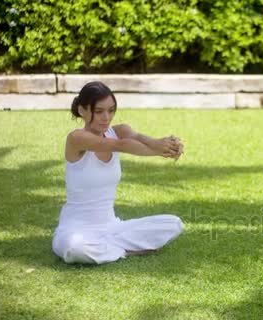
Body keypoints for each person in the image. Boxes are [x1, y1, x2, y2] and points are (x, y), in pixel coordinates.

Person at [52, 81, 184, 264]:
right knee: (75, 248)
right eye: (99, 111)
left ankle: (107, 247)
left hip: (111, 227)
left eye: (111, 110)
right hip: (76, 230)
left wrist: (165, 145)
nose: (106, 117)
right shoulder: (76, 139)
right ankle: (124, 250)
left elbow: (137, 138)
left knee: (173, 223)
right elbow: (120, 145)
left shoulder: (119, 131)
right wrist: (158, 150)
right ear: (82, 111)